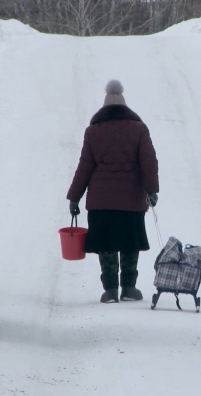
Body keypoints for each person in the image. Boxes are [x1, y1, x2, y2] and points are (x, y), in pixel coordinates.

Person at [66, 79, 159, 303]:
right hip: (131, 200)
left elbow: (85, 165)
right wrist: (152, 190)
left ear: (104, 107)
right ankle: (129, 287)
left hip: (101, 201)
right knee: (129, 243)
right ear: (125, 107)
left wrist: (74, 197)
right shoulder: (139, 129)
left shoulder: (94, 131)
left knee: (106, 244)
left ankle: (110, 290)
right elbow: (149, 162)